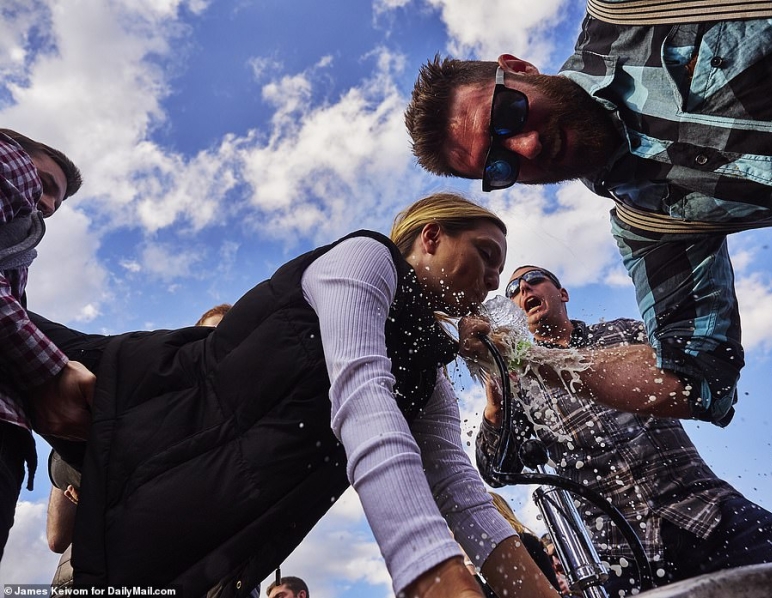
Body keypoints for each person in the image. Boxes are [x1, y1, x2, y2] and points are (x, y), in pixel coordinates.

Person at [34, 193, 560, 598]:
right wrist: (430, 574)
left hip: (197, 528)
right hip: (146, 408)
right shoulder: (364, 259)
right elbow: (361, 396)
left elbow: (460, 493)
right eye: (486, 255)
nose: (494, 282)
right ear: (430, 237)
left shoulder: (430, 377)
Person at [405, 8, 772, 427]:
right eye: (501, 166)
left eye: (509, 113)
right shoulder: (650, 224)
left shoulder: (628, 16)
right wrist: (517, 356)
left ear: (518, 68)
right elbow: (696, 380)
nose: (528, 147)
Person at [469, 266, 772, 595]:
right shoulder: (518, 380)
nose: (523, 288)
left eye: (533, 278)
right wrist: (495, 414)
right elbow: (497, 473)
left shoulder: (622, 332)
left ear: (562, 292)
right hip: (620, 556)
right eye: (513, 289)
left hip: (707, 509)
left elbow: (698, 379)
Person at [44, 303, 236, 587]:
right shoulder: (137, 403)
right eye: (207, 337)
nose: (218, 348)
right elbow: (58, 538)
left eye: (232, 340)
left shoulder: (241, 441)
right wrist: (84, 477)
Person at [0, 128, 89, 560]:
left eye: (57, 203)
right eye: (48, 185)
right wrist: (52, 371)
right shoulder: (9, 158)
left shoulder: (17, 244)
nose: (49, 205)